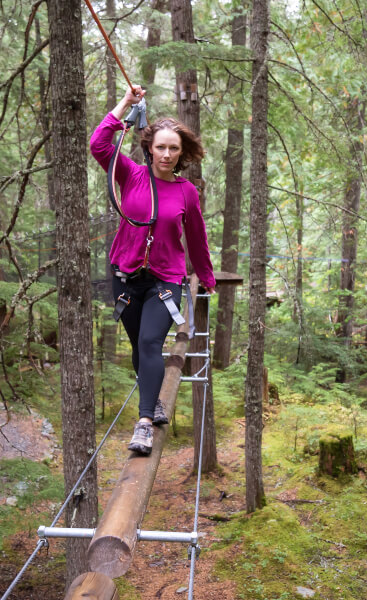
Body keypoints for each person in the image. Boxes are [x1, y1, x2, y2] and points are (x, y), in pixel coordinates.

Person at [90, 84, 216, 455]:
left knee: (149, 342)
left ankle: (144, 422)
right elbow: (98, 144)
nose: (166, 154)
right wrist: (125, 104)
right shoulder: (129, 174)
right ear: (150, 148)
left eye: (173, 148)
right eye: (161, 147)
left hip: (165, 280)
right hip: (125, 278)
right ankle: (153, 401)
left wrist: (207, 278)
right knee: (138, 346)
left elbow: (197, 239)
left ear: (182, 153)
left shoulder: (187, 191)